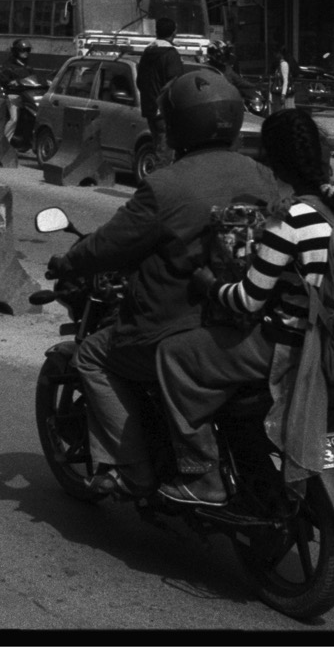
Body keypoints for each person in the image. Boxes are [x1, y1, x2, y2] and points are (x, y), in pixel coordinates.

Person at [44, 70, 282, 497]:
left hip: (173, 328)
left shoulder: (165, 185)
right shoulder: (262, 176)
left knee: (93, 356)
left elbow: (111, 244)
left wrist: (67, 262)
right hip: (243, 323)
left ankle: (134, 471)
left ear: (178, 124)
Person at [151, 110, 334, 505]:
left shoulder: (291, 218)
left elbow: (248, 299)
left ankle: (203, 474)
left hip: (291, 349)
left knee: (172, 355)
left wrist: (210, 285)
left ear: (273, 164)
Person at [135, 16, 185, 142]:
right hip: (164, 113)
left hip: (150, 110)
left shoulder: (147, 52)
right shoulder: (170, 54)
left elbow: (140, 82)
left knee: (157, 144)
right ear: (173, 33)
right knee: (166, 147)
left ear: (157, 32)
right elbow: (176, 82)